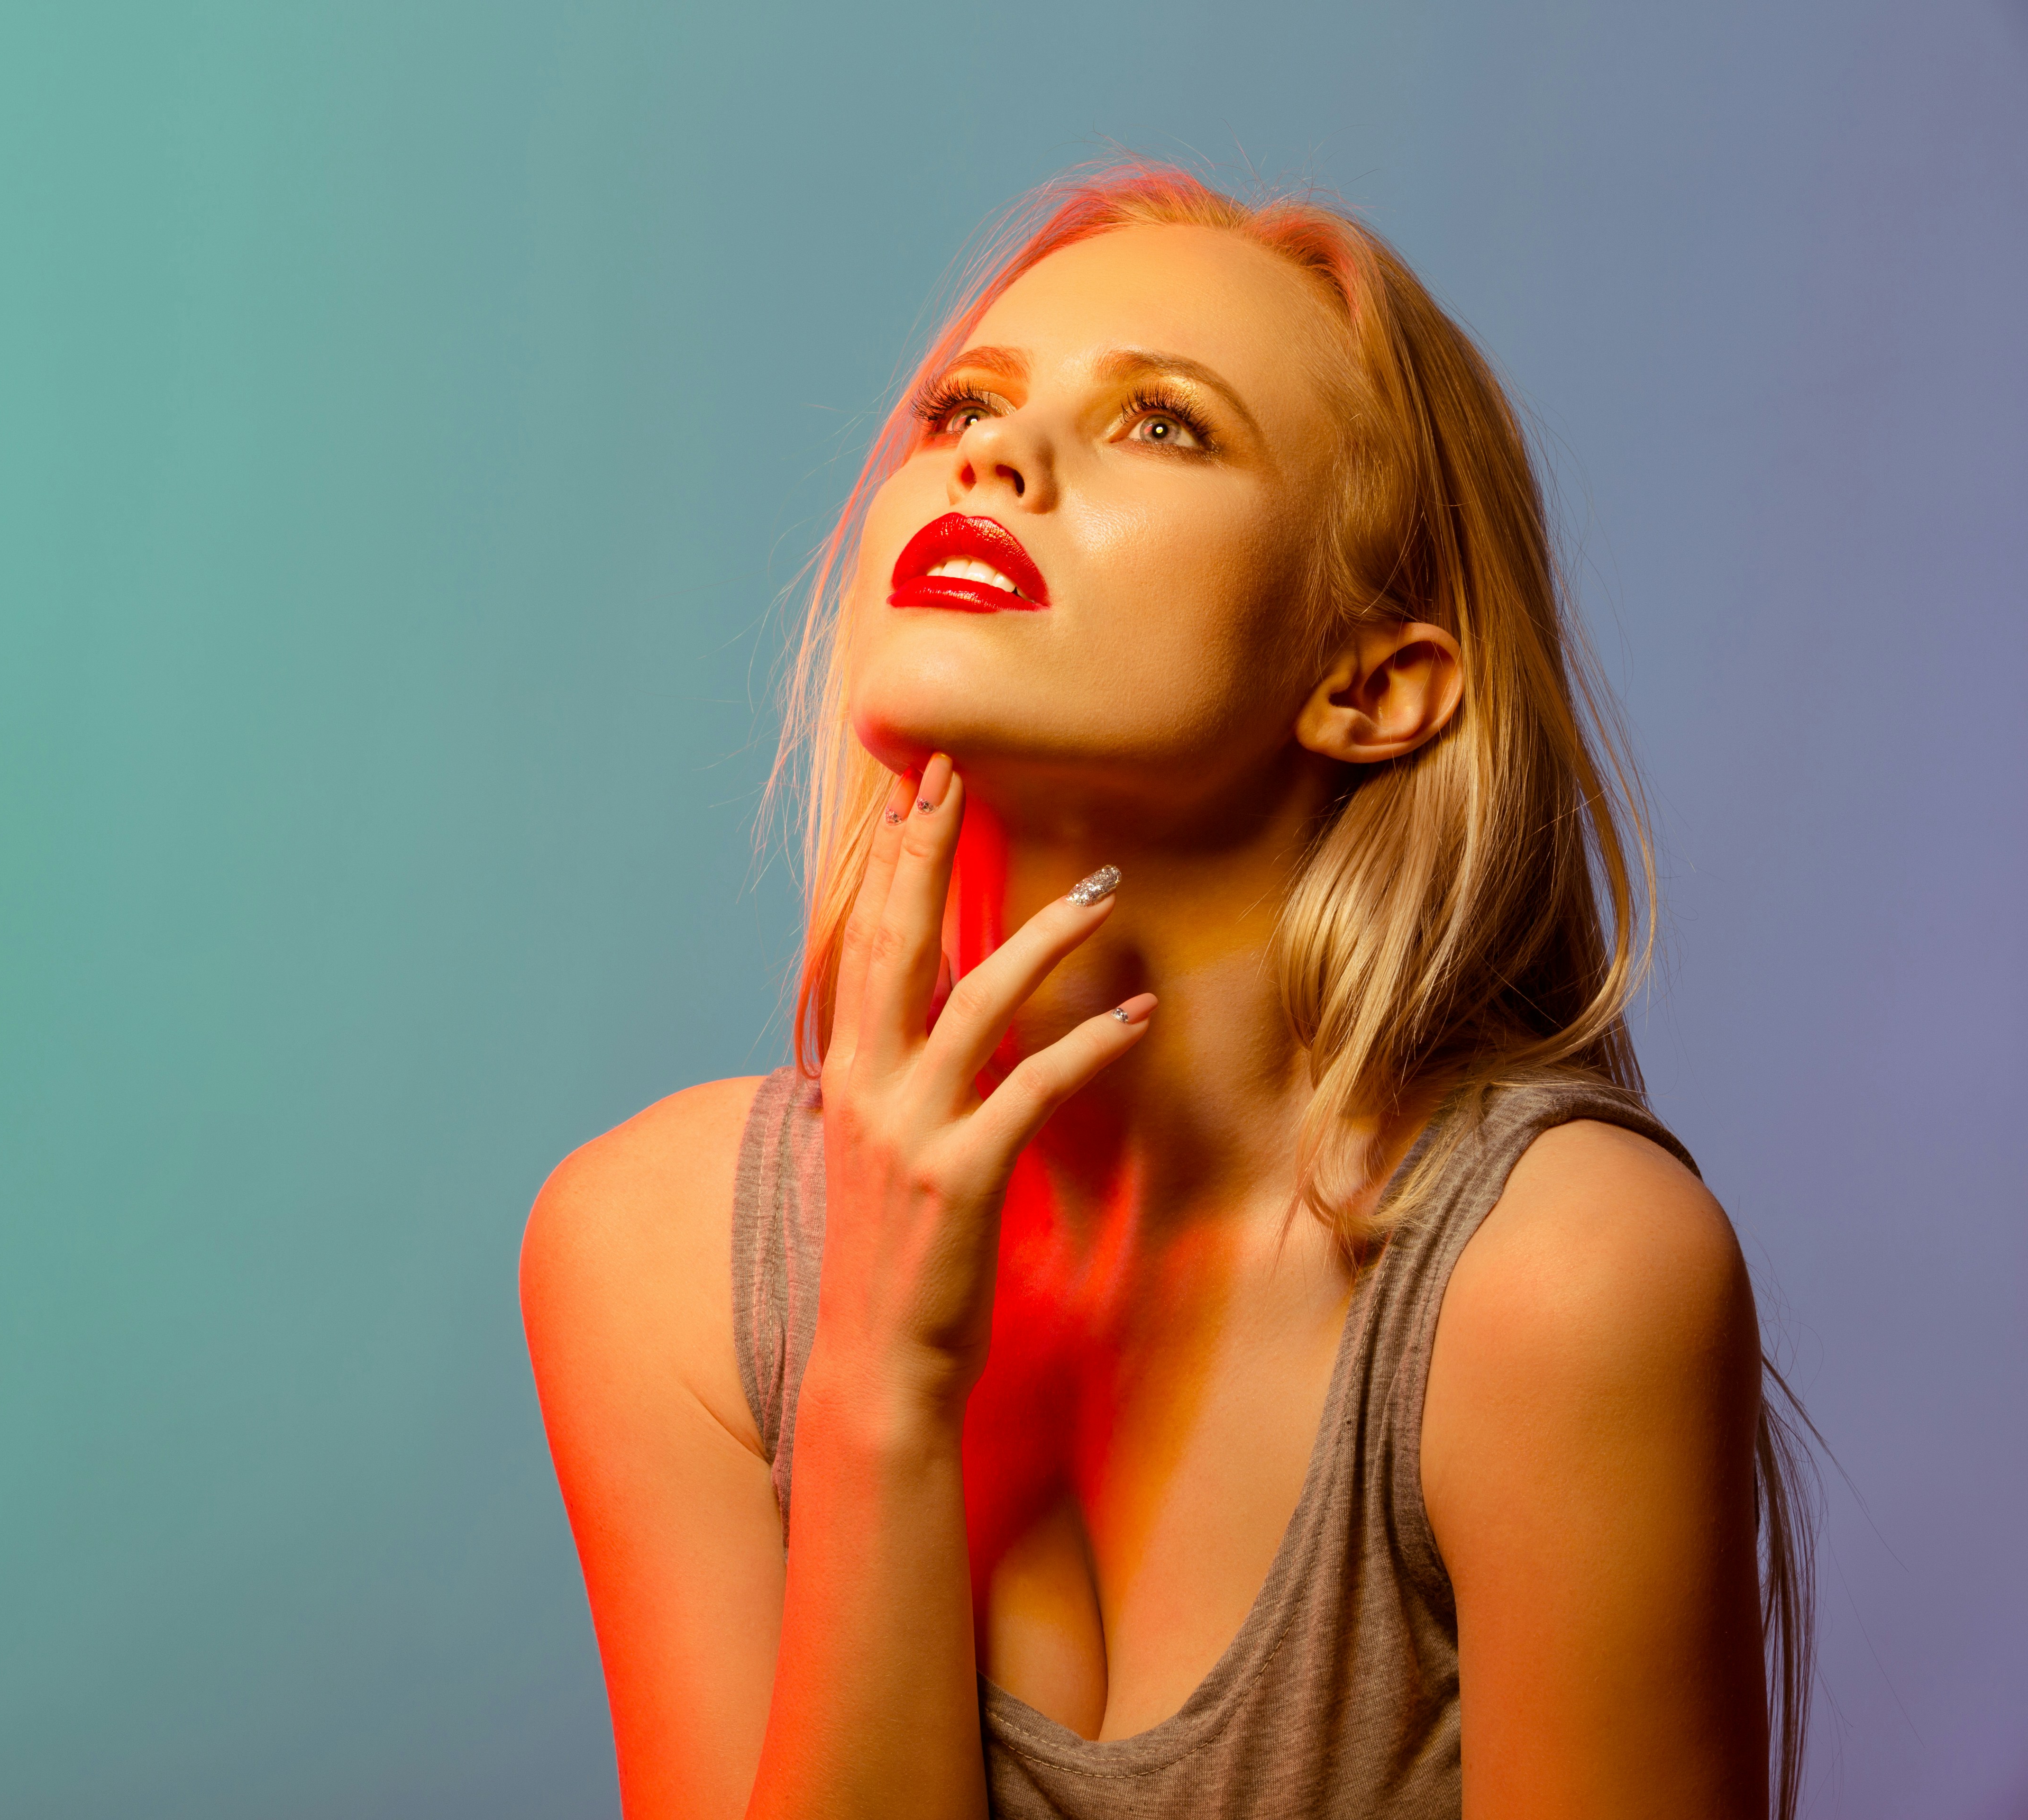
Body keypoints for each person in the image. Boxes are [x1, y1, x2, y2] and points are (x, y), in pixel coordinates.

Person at [521, 164, 1811, 1820]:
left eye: (1166, 426)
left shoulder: (1554, 1287)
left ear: (1373, 685)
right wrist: (876, 1393)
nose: (991, 454)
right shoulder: (658, 1258)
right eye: (959, 408)